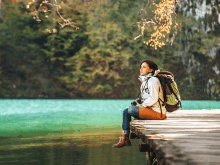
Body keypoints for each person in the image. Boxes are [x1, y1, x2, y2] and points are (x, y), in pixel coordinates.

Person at [112, 59, 167, 148]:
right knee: (130, 109)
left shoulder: (152, 80)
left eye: (144, 67)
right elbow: (148, 98)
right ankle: (125, 137)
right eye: (140, 67)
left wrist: (142, 105)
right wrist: (139, 103)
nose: (141, 69)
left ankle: (125, 138)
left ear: (151, 70)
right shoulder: (145, 81)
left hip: (157, 112)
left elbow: (154, 98)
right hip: (152, 110)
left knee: (127, 111)